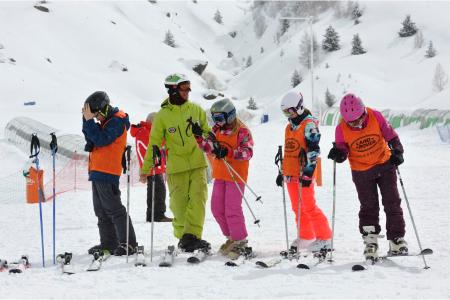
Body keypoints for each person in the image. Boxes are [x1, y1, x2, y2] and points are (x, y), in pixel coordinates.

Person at [327, 93, 408, 260]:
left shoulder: (375, 116)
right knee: (368, 206)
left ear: (363, 112)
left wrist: (398, 151)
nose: (355, 124)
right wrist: (339, 154)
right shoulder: (340, 129)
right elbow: (343, 150)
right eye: (351, 122)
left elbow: (391, 135)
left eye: (357, 120)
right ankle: (370, 241)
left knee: (392, 202)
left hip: (385, 165)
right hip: (361, 171)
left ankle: (396, 239)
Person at [139, 74, 211, 253]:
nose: (188, 91)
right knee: (178, 205)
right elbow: (154, 143)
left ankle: (192, 236)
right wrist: (145, 169)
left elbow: (209, 135)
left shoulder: (196, 110)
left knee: (198, 199)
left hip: (197, 163)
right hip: (176, 166)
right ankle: (183, 237)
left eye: (189, 87)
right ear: (172, 90)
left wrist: (201, 133)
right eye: (184, 88)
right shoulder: (163, 116)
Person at [192, 98, 254, 260]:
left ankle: (240, 241)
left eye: (219, 118)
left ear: (230, 115)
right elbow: (208, 148)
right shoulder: (216, 130)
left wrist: (228, 153)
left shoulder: (242, 131)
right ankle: (231, 237)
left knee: (232, 209)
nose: (217, 122)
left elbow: (248, 152)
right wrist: (198, 136)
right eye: (215, 119)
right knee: (217, 208)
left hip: (235, 176)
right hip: (220, 175)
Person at [82, 91, 138, 256]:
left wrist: (89, 121)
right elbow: (90, 136)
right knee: (101, 211)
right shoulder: (106, 121)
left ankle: (129, 243)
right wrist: (86, 119)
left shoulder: (117, 122)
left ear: (104, 109)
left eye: (97, 114)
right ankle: (109, 243)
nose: (97, 118)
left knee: (114, 209)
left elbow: (101, 139)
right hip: (98, 171)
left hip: (107, 171)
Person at [276, 91, 332, 253]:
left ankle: (325, 237)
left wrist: (309, 172)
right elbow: (289, 151)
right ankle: (306, 235)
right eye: (285, 112)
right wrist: (282, 172)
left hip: (304, 172)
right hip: (291, 172)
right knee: (297, 207)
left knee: (309, 206)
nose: (288, 115)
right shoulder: (289, 127)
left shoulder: (309, 125)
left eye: (290, 111)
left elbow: (314, 150)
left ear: (299, 107)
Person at [130, 112, 172, 223]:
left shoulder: (145, 130)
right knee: (158, 191)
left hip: (153, 166)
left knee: (156, 190)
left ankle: (153, 215)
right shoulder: (144, 131)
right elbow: (154, 145)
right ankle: (157, 216)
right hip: (151, 166)